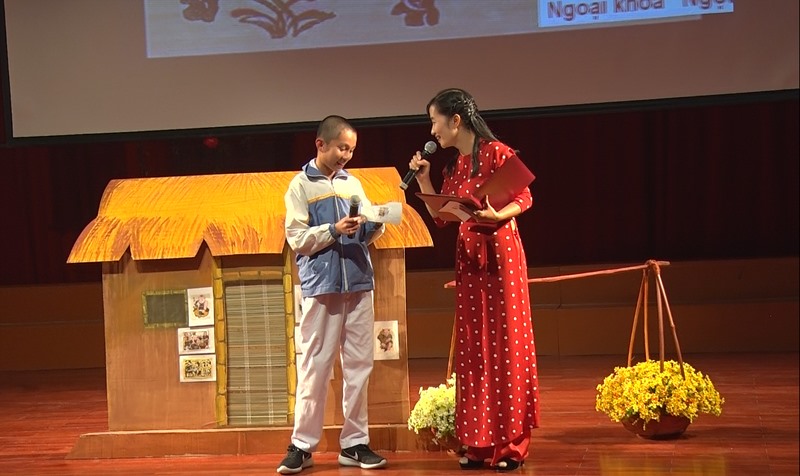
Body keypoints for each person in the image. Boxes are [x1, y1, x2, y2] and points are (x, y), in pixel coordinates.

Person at [408, 88, 540, 471]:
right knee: (475, 346)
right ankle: (479, 443)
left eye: (434, 121)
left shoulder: (497, 153)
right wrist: (425, 180)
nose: (432, 131)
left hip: (500, 253)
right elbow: (442, 216)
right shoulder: (454, 166)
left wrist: (500, 215)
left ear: (455, 120)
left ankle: (511, 446)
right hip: (469, 259)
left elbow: (525, 197)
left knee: (506, 344)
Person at [279, 115, 388, 474]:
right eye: (342, 148)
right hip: (322, 286)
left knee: (359, 366)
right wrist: (334, 229)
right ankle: (302, 445)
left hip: (358, 282)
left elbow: (364, 233)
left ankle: (354, 443)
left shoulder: (352, 184)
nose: (346, 156)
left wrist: (374, 223)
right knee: (315, 367)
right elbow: (298, 238)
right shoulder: (300, 186)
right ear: (320, 144)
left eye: (351, 150)